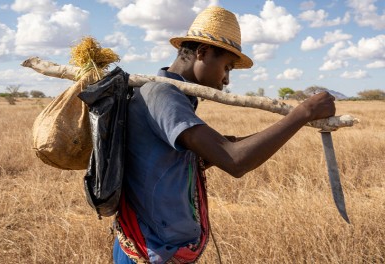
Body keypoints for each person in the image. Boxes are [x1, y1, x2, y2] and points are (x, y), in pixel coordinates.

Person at [113, 6, 335, 264]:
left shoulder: (178, 97)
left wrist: (287, 126)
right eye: (227, 67)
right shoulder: (162, 94)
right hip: (150, 251)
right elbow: (234, 160)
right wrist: (303, 112)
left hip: (162, 247)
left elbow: (211, 152)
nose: (227, 80)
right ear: (203, 53)